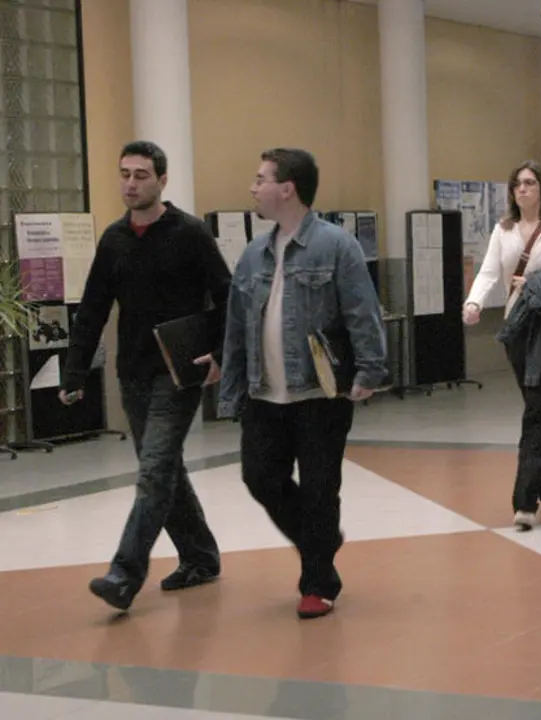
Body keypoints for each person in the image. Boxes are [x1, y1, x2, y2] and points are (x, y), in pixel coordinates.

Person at [219, 148, 387, 619]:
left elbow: (362, 312)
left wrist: (370, 370)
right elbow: (236, 329)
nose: (253, 188)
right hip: (264, 394)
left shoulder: (337, 245)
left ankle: (318, 581)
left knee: (318, 488)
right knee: (259, 476)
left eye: (261, 179)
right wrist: (231, 389)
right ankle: (322, 539)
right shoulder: (253, 254)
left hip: (319, 393)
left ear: (287, 188)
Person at [60, 140, 227, 611]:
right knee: (165, 468)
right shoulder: (114, 239)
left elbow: (227, 295)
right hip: (132, 372)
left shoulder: (191, 234)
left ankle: (124, 573)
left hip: (180, 372)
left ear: (162, 181)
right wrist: (75, 372)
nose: (130, 184)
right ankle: (200, 556)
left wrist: (220, 354)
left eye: (140, 175)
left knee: (154, 471)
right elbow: (93, 309)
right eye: (125, 175)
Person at [463, 160, 541, 532]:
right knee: (540, 406)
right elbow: (488, 272)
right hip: (518, 328)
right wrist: (474, 302)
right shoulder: (503, 231)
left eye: (530, 183)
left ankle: (525, 499)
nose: (522, 189)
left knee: (536, 407)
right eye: (517, 184)